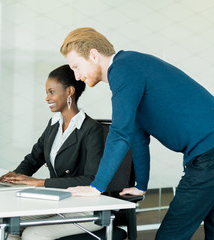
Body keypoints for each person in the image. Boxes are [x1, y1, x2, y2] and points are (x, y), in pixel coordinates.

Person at [60, 27, 214, 240]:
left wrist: (97, 186)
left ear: (93, 55)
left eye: (76, 66)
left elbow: (120, 133)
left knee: (171, 236)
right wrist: (141, 185)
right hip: (207, 154)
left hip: (209, 156)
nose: (76, 76)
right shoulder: (130, 69)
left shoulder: (123, 69)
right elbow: (137, 136)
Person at [0, 64, 104, 240]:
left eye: (51, 92)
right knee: (1, 226)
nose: (47, 98)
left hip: (83, 206)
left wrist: (39, 183)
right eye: (46, 92)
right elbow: (33, 159)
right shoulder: (54, 124)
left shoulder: (91, 129)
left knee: (33, 234)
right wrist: (13, 177)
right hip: (57, 201)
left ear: (70, 92)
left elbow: (91, 180)